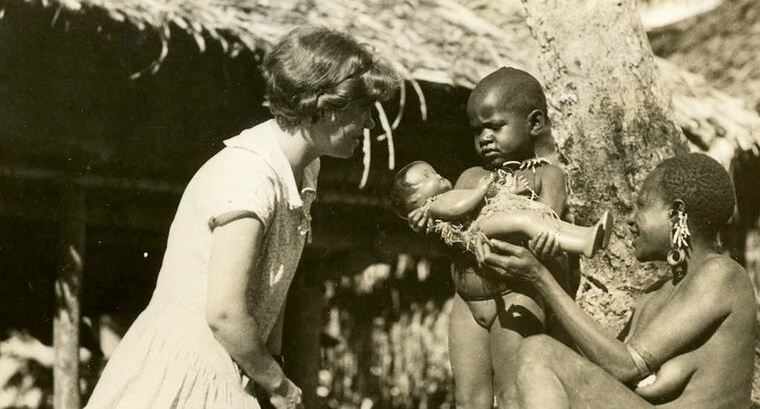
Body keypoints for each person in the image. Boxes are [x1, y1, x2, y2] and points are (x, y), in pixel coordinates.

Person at [84, 26, 398, 409]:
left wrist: (270, 371)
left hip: (232, 371)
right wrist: (279, 385)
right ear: (326, 105)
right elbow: (225, 312)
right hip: (184, 378)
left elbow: (272, 286)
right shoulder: (248, 175)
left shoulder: (302, 172)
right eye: (362, 109)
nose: (368, 125)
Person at [482, 153, 757, 408]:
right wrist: (552, 269)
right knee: (525, 357)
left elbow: (624, 365)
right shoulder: (655, 294)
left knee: (538, 350)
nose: (630, 220)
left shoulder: (722, 274)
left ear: (675, 213)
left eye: (641, 205)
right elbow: (594, 366)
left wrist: (541, 279)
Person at [404, 67, 576, 408]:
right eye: (477, 130)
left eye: (495, 126)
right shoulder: (471, 176)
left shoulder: (546, 176)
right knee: (469, 398)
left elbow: (547, 221)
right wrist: (430, 219)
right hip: (466, 301)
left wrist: (543, 241)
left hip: (515, 296)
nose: (484, 137)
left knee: (513, 394)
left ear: (535, 123)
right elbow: (454, 225)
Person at [389, 160, 612, 258]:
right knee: (527, 222)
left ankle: (588, 234)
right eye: (427, 177)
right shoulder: (436, 204)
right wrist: (481, 189)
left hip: (487, 218)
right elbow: (459, 208)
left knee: (537, 218)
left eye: (433, 170)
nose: (437, 175)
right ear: (415, 200)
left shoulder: (445, 196)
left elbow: (485, 202)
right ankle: (582, 242)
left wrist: (508, 194)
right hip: (481, 227)